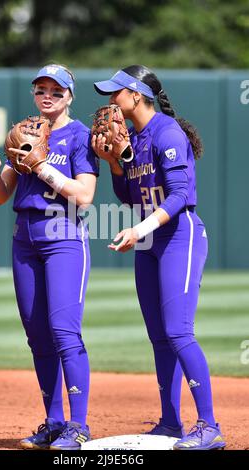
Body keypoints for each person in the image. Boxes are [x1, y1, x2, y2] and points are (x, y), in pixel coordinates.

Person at [92, 65, 226, 451]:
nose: (110, 103)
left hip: (179, 236)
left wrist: (139, 230)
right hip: (151, 241)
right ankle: (170, 422)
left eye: (115, 94)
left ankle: (209, 426)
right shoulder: (133, 137)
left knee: (178, 331)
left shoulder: (167, 131)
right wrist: (116, 163)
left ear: (136, 95)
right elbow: (129, 196)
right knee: (159, 337)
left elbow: (180, 194)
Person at [0, 64, 99, 450]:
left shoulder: (81, 135)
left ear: (69, 96)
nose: (47, 95)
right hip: (25, 239)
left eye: (56, 90)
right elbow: (2, 195)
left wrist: (42, 166)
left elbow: (84, 196)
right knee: (37, 335)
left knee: (64, 330)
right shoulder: (25, 131)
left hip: (63, 237)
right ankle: (53, 421)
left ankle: (78, 426)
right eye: (41, 89)